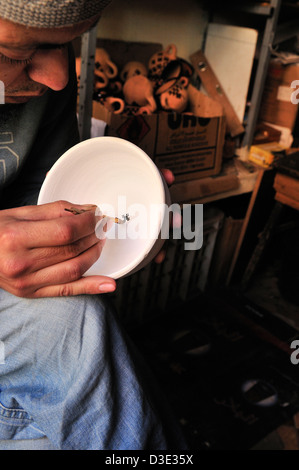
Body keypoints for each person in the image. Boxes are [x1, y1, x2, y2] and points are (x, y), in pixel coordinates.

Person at [0, 0, 186, 450]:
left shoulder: (48, 83)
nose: (59, 77)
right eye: (14, 53)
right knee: (68, 322)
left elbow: (47, 204)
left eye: (67, 45)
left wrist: (131, 231)